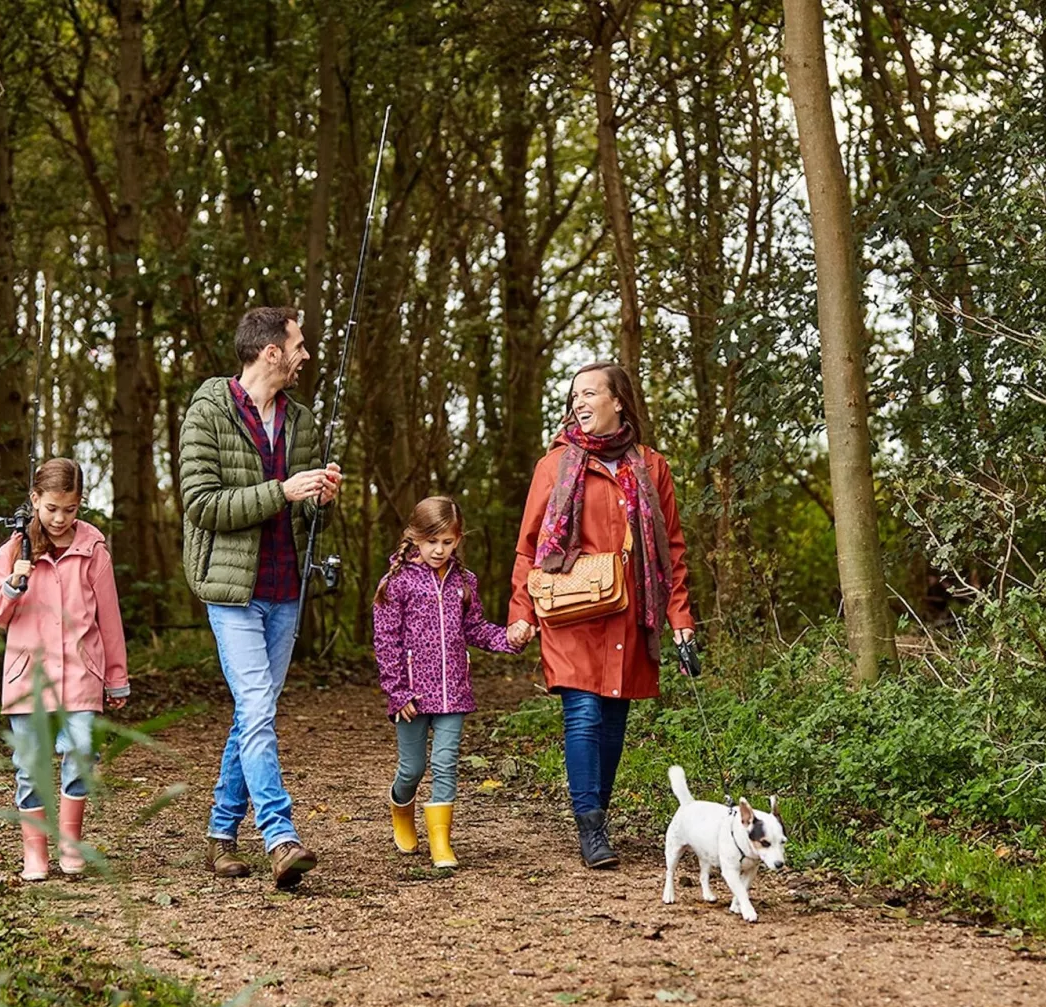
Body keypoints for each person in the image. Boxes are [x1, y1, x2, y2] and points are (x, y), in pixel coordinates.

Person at [178, 306, 343, 890]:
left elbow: (300, 506)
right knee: (256, 710)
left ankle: (222, 834)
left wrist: (318, 497)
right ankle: (280, 836)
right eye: (298, 345)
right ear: (271, 350)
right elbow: (202, 505)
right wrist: (280, 491)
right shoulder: (207, 412)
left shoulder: (300, 419)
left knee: (255, 714)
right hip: (231, 591)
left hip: (285, 588)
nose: (305, 355)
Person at [508, 362, 695, 869]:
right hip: (570, 612)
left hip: (632, 609)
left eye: (589, 393)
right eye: (574, 395)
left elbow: (669, 550)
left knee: (613, 718)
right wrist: (521, 610)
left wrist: (682, 622)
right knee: (584, 714)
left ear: (618, 401)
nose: (579, 403)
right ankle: (590, 827)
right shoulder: (555, 466)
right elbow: (529, 547)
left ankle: (598, 816)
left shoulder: (652, 467)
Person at [0, 458, 129, 882]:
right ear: (35, 501)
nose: (60, 519)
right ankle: (35, 854)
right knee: (31, 767)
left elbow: (109, 620)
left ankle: (70, 845)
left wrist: (116, 678)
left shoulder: (93, 550)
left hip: (82, 676)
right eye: (51, 509)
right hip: (28, 680)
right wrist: (11, 585)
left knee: (82, 754)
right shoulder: (14, 549)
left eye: (70, 509)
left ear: (80, 505)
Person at [371, 497, 528, 868]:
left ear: (458, 539)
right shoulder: (397, 582)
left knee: (445, 764)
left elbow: (474, 628)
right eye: (431, 542)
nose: (439, 550)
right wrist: (397, 691)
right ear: (415, 537)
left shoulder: (465, 582)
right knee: (412, 768)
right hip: (412, 694)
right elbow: (385, 640)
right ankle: (401, 812)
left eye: (447, 541)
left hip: (454, 691)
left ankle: (441, 841)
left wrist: (510, 638)